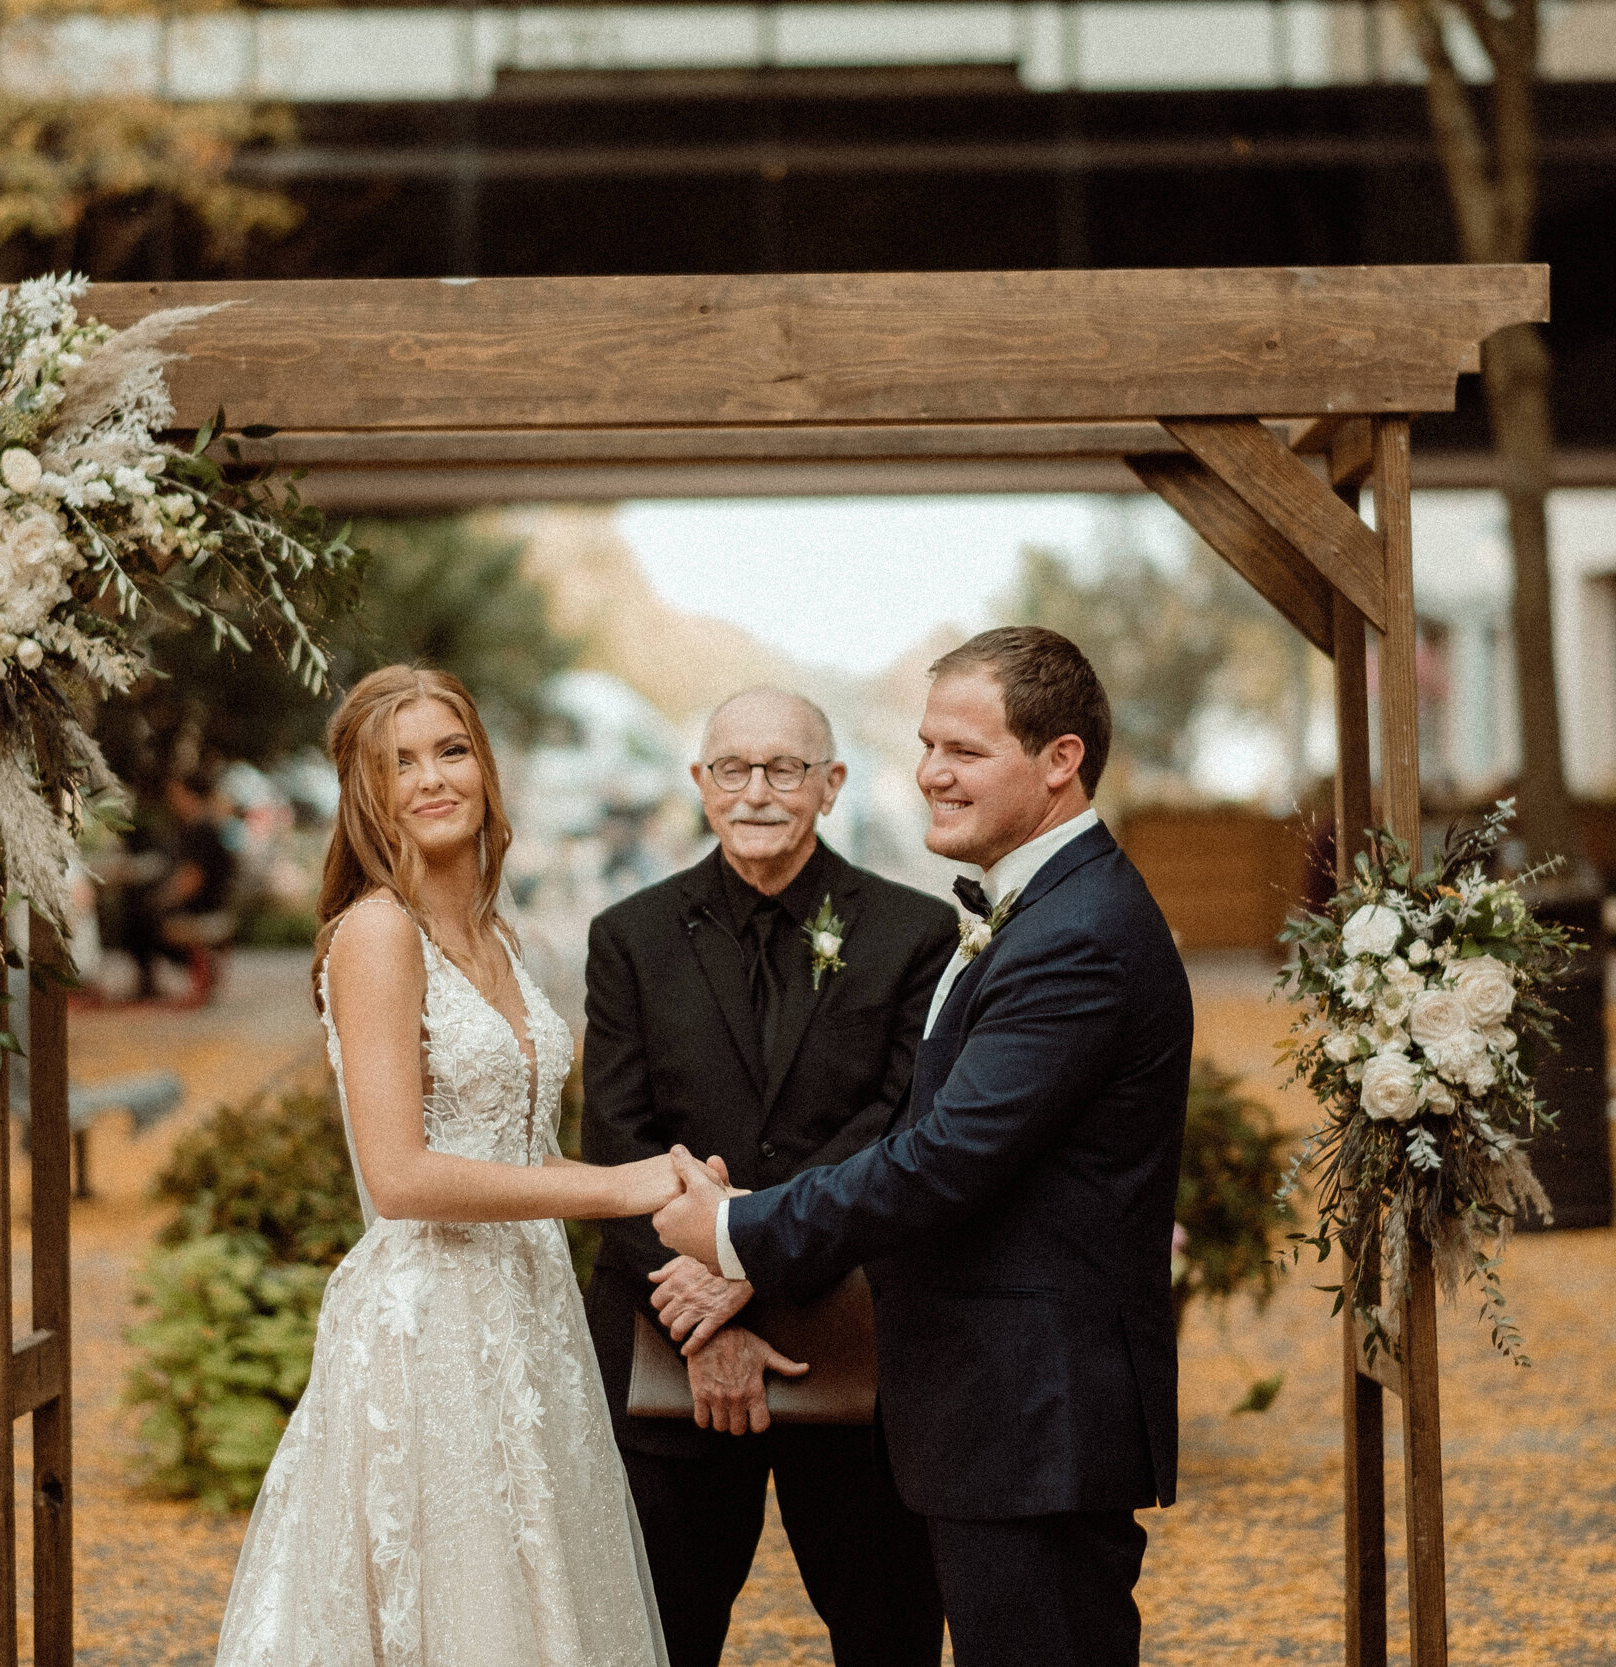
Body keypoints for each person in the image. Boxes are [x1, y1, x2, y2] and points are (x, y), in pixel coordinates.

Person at [651, 628, 1192, 1667]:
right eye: (927, 743)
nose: (932, 771)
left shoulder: (1077, 931)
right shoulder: (1039, 908)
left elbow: (941, 1158)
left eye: (964, 749)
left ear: (1060, 758)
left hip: (1036, 1414)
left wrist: (733, 1229)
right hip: (1004, 1413)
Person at [213, 666, 684, 1667]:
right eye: (398, 762)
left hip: (530, 1314)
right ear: (364, 793)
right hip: (430, 1324)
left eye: (450, 749)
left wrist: (680, 1189)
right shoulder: (377, 934)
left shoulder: (503, 939)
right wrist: (614, 1186)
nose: (430, 778)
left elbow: (515, 1150)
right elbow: (402, 1175)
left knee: (543, 1603)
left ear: (485, 766)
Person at [583, 687, 953, 1667]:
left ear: (830, 785)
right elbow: (617, 1137)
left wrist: (749, 1262)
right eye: (732, 768)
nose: (756, 790)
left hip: (854, 1331)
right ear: (699, 784)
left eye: (784, 768)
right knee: (660, 1636)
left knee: (889, 1630)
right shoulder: (629, 936)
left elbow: (900, 1123)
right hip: (671, 1351)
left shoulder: (915, 933)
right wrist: (703, 1319)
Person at [125, 769, 237, 1003]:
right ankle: (184, 970)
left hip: (201, 906)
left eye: (175, 794)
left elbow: (191, 879)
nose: (171, 801)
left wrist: (161, 899)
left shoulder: (201, 829)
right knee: (142, 912)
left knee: (138, 917)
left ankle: (152, 981)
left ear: (188, 795)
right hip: (210, 903)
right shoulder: (202, 826)